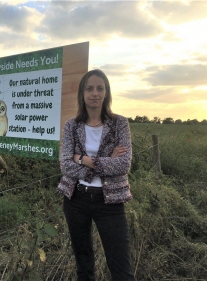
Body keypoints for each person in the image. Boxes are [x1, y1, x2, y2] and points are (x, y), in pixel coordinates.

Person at [57, 69, 135, 281]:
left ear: (107, 93)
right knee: (84, 265)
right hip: (76, 200)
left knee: (121, 267)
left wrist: (83, 159)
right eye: (89, 88)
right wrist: (106, 158)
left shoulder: (119, 123)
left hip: (110, 202)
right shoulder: (71, 126)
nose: (95, 93)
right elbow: (65, 165)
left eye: (100, 88)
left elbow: (123, 164)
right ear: (82, 93)